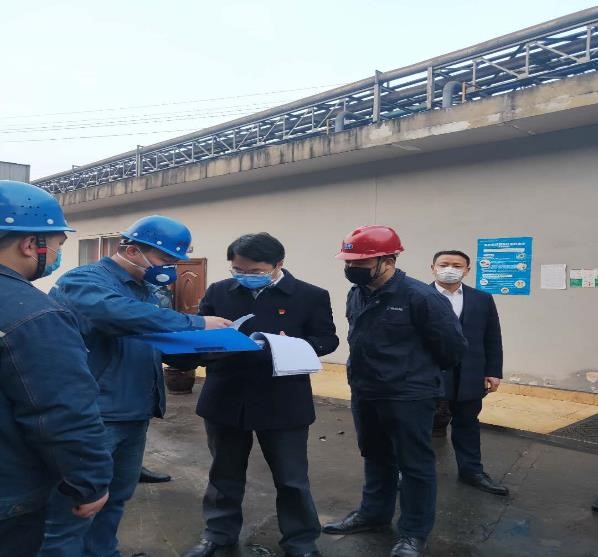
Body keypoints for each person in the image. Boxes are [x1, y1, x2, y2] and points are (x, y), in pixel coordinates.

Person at [39, 215, 231, 557]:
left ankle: (103, 552)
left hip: (135, 410)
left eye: (175, 261)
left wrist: (205, 349)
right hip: (96, 414)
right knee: (74, 510)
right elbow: (119, 314)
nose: (169, 269)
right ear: (129, 250)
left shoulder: (148, 290)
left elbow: (153, 339)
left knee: (115, 499)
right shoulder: (85, 281)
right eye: (164, 259)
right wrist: (198, 323)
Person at [183, 232, 339, 557]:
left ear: (278, 264)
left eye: (255, 271)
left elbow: (327, 339)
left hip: (283, 398)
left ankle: (300, 542)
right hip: (226, 395)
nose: (245, 276)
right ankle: (218, 535)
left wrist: (287, 346)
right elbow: (201, 337)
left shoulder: (310, 295)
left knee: (291, 478)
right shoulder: (218, 291)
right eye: (238, 269)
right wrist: (211, 346)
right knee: (223, 474)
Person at [322, 225, 467, 557]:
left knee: (414, 465)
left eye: (360, 262)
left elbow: (452, 349)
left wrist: (413, 373)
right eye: (349, 262)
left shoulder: (422, 297)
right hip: (365, 390)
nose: (351, 268)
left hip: (408, 395)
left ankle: (414, 533)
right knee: (375, 455)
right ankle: (373, 514)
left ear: (388, 261)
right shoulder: (357, 293)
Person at [0, 180, 112, 557]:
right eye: (59, 244)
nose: (59, 254)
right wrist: (90, 482)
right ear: (30, 244)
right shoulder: (35, 315)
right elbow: (63, 410)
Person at [430, 250, 509, 496]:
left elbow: (492, 337)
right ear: (433, 267)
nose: (450, 269)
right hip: (428, 374)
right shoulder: (418, 295)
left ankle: (472, 471)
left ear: (467, 270)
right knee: (418, 425)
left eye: (457, 265)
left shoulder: (482, 299)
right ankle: (409, 472)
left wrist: (493, 371)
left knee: (467, 423)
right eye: (444, 264)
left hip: (469, 374)